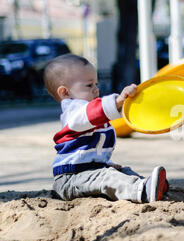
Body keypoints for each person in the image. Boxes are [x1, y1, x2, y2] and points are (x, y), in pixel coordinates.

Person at [44, 53, 168, 203]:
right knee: (108, 178)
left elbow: (87, 152)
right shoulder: (74, 112)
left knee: (122, 171)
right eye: (89, 85)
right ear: (65, 92)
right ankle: (142, 191)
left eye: (96, 84)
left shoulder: (85, 114)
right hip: (71, 179)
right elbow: (92, 112)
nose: (96, 89)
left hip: (86, 172)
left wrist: (104, 163)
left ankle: (149, 185)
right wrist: (118, 100)